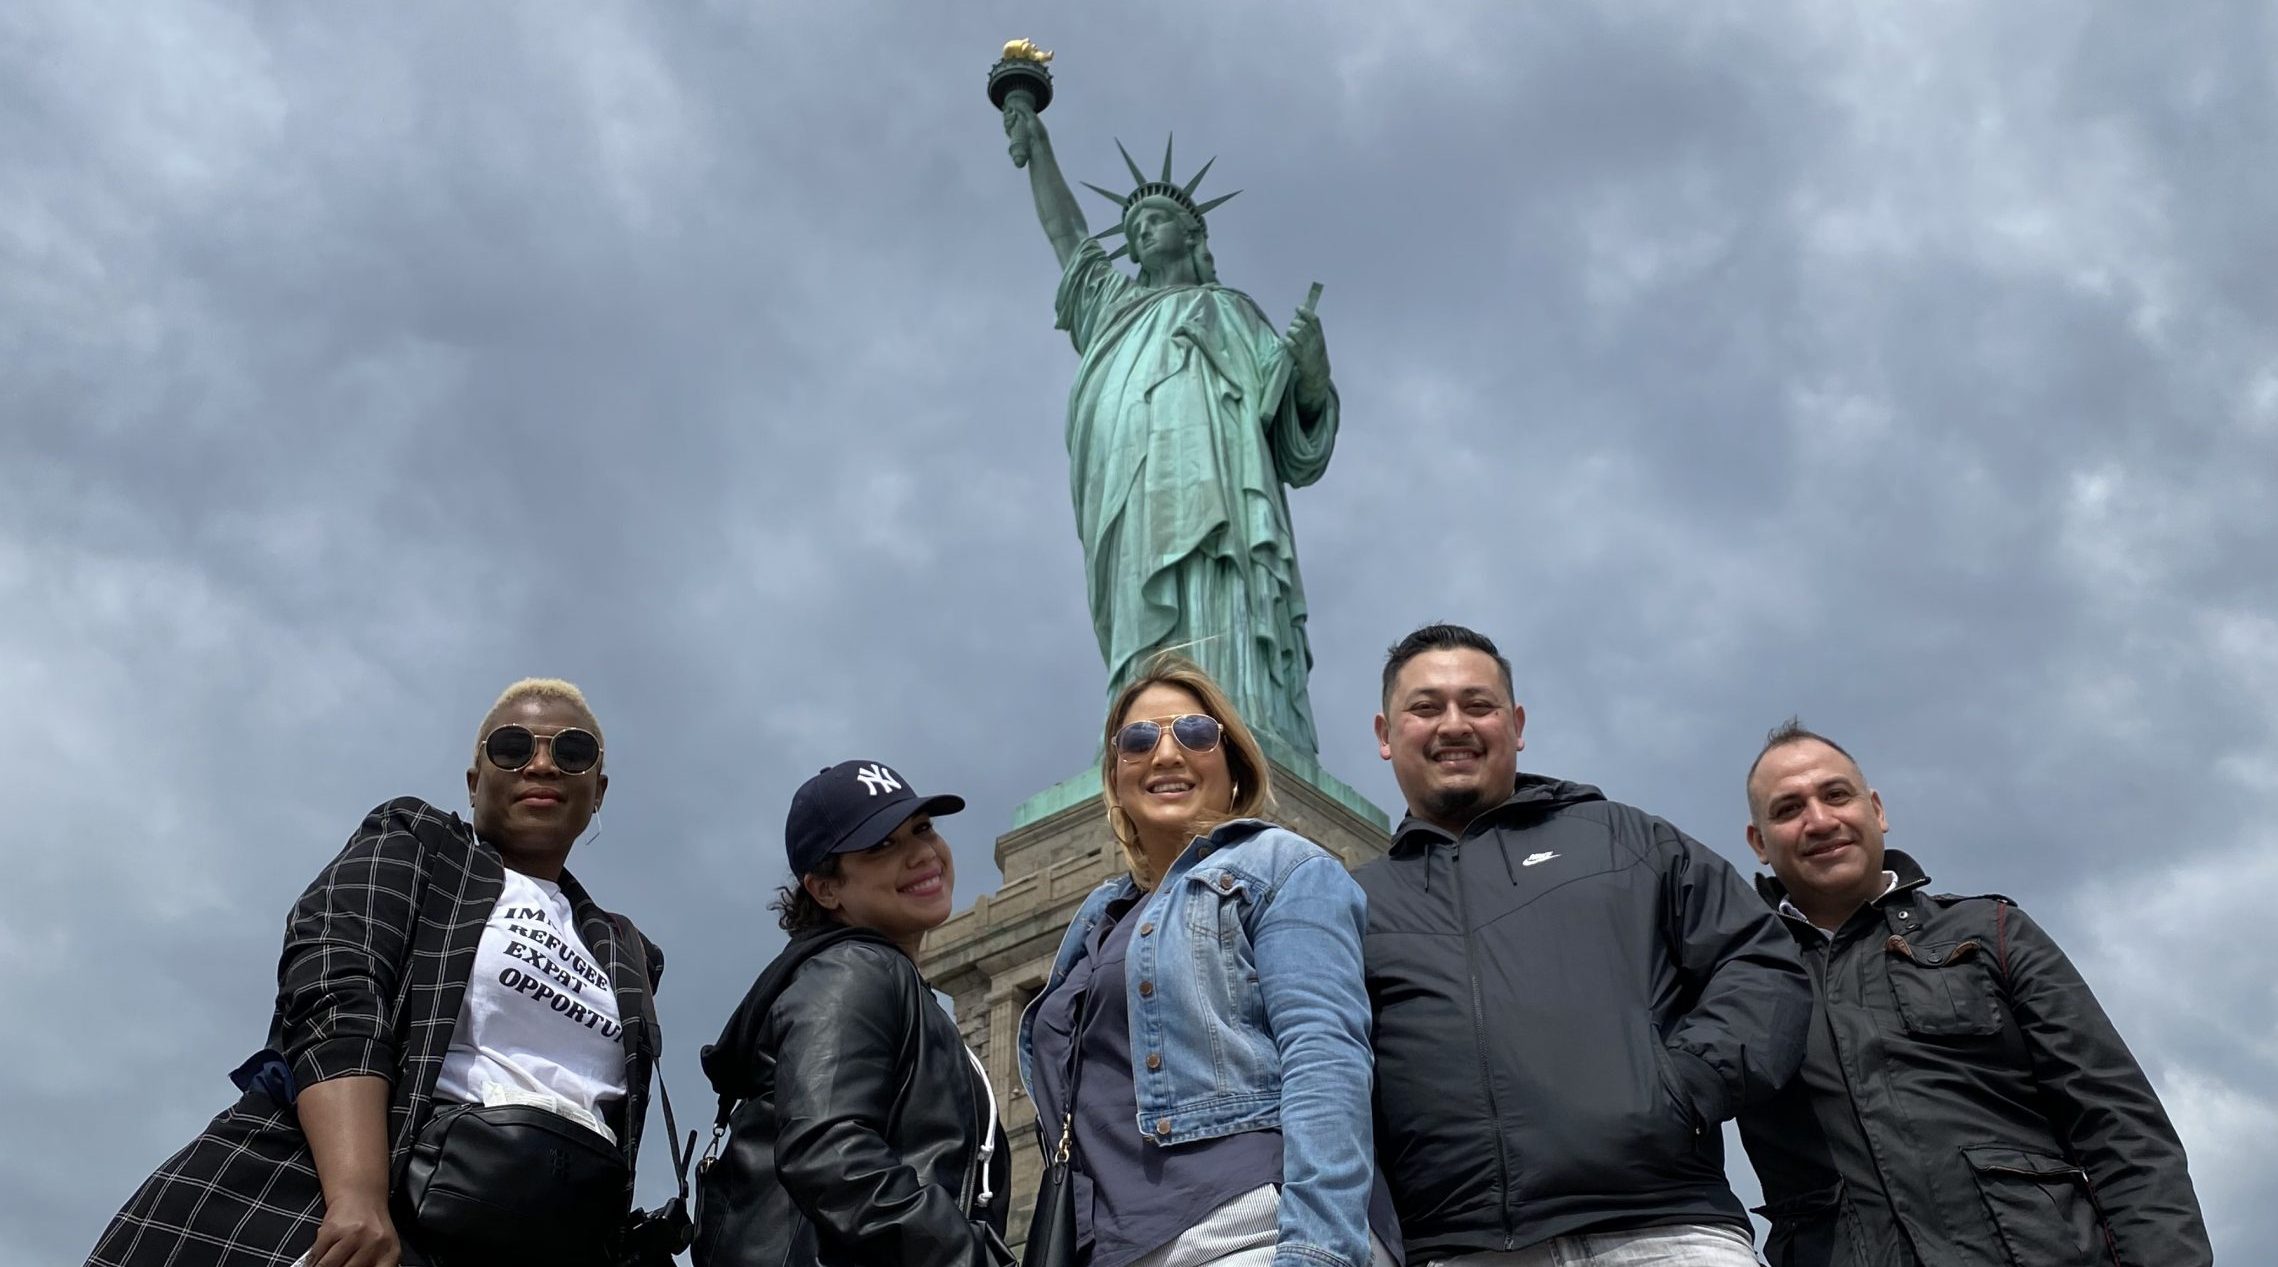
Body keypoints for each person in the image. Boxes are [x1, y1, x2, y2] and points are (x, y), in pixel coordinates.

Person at [88, 678, 666, 1267]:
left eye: (571, 753)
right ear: (474, 783)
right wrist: (356, 1198)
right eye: (512, 747)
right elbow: (337, 992)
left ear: (597, 789)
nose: (541, 765)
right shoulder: (419, 843)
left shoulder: (625, 950)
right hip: (384, 1209)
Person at [1358, 624, 1810, 1266]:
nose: (1453, 724)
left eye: (1478, 705)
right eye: (1425, 707)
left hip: (1664, 1229)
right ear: (1385, 734)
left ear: (1515, 724)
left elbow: (1759, 963)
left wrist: (1683, 1089)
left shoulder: (1626, 839)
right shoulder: (1354, 901)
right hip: (1463, 1248)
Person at [1734, 720, 2213, 1267]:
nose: (1819, 821)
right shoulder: (1741, 978)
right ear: (1759, 843)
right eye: (1788, 809)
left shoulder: (1993, 933)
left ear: (1877, 810)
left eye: (1835, 795)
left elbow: (2124, 1133)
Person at [1017, 654, 1396, 1267]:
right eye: (1139, 740)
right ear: (1116, 775)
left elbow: (1325, 1059)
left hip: (1247, 1233)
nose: (1166, 755)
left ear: (1233, 763)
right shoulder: (1100, 916)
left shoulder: (1283, 867)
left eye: (1194, 733)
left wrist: (1319, 1251)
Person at [1001, 95, 1339, 753]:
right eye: (1133, 227)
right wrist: (1037, 147)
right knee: (1142, 608)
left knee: (1224, 586)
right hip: (1131, 487)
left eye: (1155, 220)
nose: (1140, 233)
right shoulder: (1112, 306)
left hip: (1225, 496)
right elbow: (1066, 235)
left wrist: (1312, 374)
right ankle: (1147, 733)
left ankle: (1240, 724)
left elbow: (1296, 445)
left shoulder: (1236, 313)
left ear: (1192, 233)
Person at [692, 759, 1011, 1267]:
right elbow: (828, 1150)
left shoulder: (881, 978)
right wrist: (966, 1256)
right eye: (882, 845)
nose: (922, 854)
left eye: (923, 829)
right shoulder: (853, 970)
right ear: (825, 888)